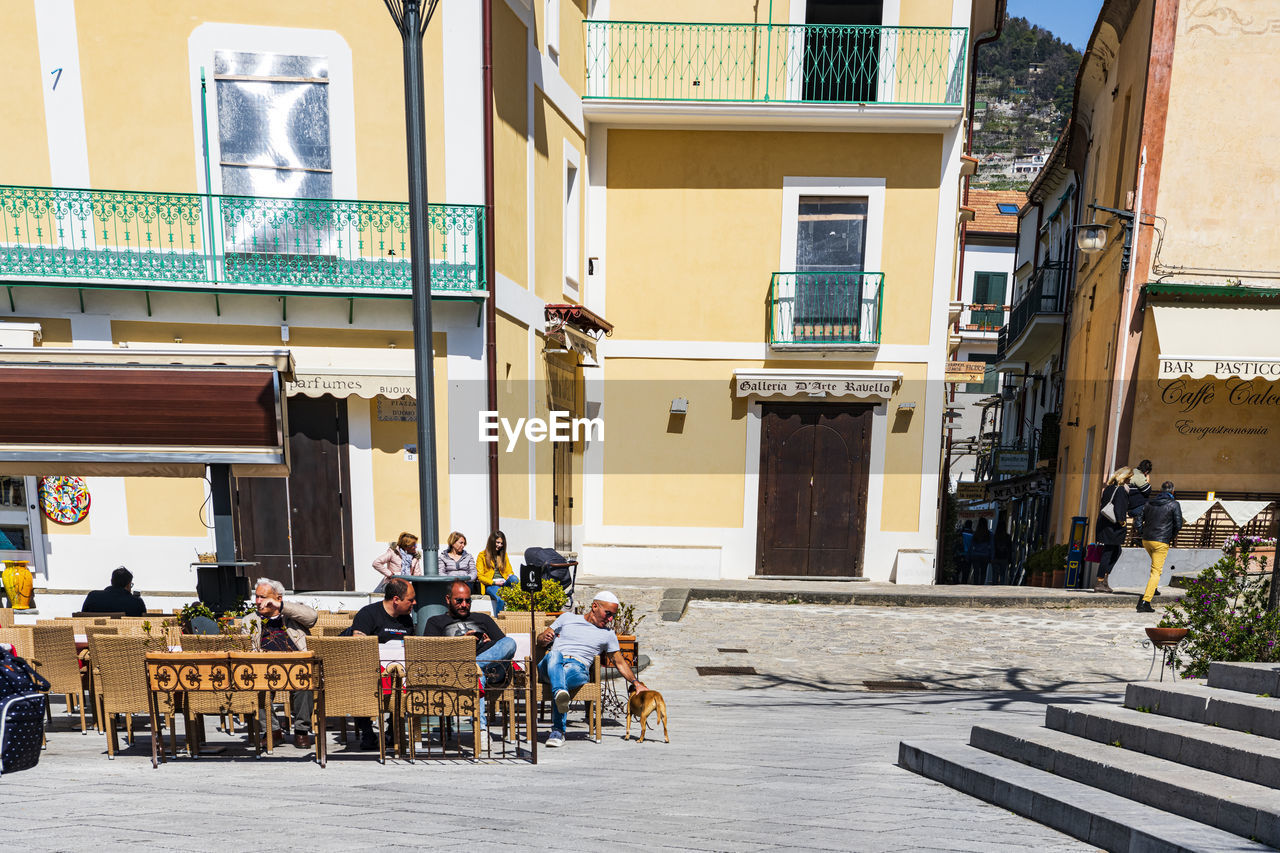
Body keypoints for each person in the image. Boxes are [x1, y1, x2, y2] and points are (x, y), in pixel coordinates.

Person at [536, 591, 647, 748]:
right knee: (554, 655)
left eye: (613, 616)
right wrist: (544, 637)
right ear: (595, 606)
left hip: (577, 669)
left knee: (564, 676)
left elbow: (620, 662)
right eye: (607, 613)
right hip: (550, 665)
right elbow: (540, 640)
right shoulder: (567, 618)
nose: (610, 619)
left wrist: (636, 682)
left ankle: (559, 711)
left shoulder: (608, 634)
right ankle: (558, 722)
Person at [424, 580, 516, 737]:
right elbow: (430, 654)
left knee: (510, 642)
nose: (464, 604)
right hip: (456, 673)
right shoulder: (436, 622)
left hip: (492, 670)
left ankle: (473, 667)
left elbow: (504, 646)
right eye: (459, 600)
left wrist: (489, 643)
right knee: (475, 676)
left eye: (468, 601)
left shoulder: (483, 619)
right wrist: (461, 644)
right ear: (448, 599)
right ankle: (480, 730)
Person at [245, 578, 318, 749]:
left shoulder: (291, 614)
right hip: (264, 666)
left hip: (295, 664)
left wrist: (281, 607)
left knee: (304, 682)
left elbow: (312, 618)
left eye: (262, 597)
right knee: (259, 687)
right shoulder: (250, 620)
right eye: (256, 597)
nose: (258, 601)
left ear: (277, 598)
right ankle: (273, 731)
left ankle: (301, 731)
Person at [350, 577, 417, 750]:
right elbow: (358, 644)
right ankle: (367, 732)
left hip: (398, 673)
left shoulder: (406, 620)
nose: (414, 603)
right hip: (370, 672)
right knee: (359, 682)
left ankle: (392, 731)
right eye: (410, 599)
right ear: (396, 600)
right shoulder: (368, 614)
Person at [1137, 481, 1183, 613]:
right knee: (1156, 571)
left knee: (1156, 567)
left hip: (1147, 540)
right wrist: (1170, 536)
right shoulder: (1174, 504)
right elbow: (1178, 525)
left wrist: (1142, 532)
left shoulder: (1149, 503)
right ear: (1172, 491)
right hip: (1161, 542)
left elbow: (1138, 520)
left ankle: (1153, 588)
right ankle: (1145, 602)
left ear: (1161, 490)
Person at [1094, 467, 1132, 593]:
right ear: (1124, 478)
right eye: (1128, 478)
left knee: (1115, 551)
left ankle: (1104, 579)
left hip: (1104, 524)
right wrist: (1122, 522)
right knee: (1109, 552)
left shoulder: (1109, 488)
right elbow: (1119, 509)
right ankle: (1100, 581)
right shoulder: (1120, 490)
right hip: (1113, 527)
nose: (1130, 480)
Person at [476, 530, 518, 614]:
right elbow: (480, 576)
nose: (500, 545)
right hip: (492, 585)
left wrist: (510, 575)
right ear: (492, 542)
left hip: (504, 582)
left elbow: (509, 570)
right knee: (501, 599)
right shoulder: (482, 555)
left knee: (514, 579)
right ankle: (499, 621)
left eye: (501, 543)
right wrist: (494, 583)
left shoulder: (503, 554)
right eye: (497, 542)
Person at [80, 566, 146, 616]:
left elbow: (82, 618)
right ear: (128, 585)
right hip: (125, 634)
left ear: (111, 581)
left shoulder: (93, 596)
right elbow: (144, 625)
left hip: (94, 634)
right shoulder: (136, 602)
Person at [1128, 460, 1154, 531]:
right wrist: (1148, 481)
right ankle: (1141, 533)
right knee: (1155, 511)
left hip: (1131, 506)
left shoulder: (1133, 472)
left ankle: (1140, 531)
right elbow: (1147, 491)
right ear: (1147, 471)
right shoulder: (1138, 476)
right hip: (1136, 507)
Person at [970, 519, 993, 585]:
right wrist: (992, 557)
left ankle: (976, 584)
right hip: (985, 555)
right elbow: (991, 546)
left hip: (975, 555)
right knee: (983, 572)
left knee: (976, 572)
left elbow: (972, 546)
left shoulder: (975, 534)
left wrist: (970, 555)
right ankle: (981, 585)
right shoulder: (989, 534)